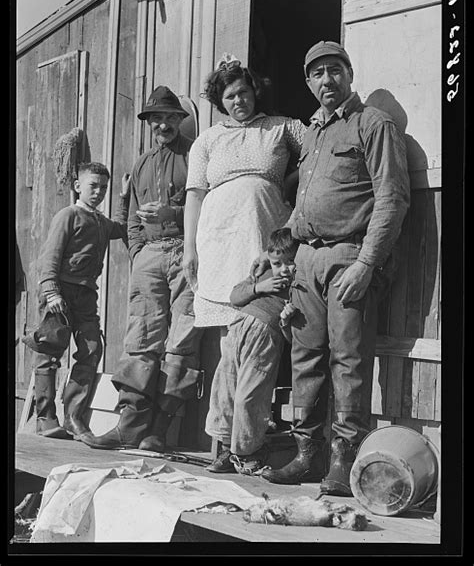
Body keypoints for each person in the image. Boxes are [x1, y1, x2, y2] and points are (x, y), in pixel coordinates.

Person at [254, 41, 410, 495]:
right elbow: (304, 204)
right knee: (305, 359)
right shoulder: (314, 133)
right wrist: (274, 247)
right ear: (308, 82)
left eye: (335, 70)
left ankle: (344, 462)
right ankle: (307, 455)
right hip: (305, 259)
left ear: (349, 73)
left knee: (348, 361)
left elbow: (392, 198)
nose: (327, 80)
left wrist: (366, 263)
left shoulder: (372, 124)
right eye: (317, 73)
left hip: (348, 258)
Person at [84, 86, 203, 452]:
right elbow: (132, 218)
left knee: (181, 342)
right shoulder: (141, 163)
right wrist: (138, 252)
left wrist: (175, 217)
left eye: (170, 118)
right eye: (157, 119)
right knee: (141, 339)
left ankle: (159, 432)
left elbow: (209, 209)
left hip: (187, 253)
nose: (163, 124)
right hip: (150, 255)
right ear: (149, 123)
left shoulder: (196, 156)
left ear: (180, 121)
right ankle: (130, 427)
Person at [183, 53, 307, 331]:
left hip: (262, 226)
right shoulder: (208, 139)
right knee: (225, 316)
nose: (238, 101)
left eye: (243, 92)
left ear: (254, 91)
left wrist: (289, 183)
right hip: (218, 237)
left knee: (263, 314)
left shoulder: (282, 127)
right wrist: (189, 247)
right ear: (220, 102)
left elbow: (318, 154)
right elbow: (195, 195)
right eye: (229, 97)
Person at [32, 162, 130, 440]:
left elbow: (120, 228)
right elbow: (50, 254)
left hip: (86, 296)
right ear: (78, 186)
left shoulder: (100, 222)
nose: (98, 192)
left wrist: (123, 197)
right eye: (93, 186)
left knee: (91, 350)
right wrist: (51, 291)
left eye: (103, 188)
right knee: (49, 353)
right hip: (60, 291)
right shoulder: (69, 215)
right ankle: (45, 417)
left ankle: (74, 418)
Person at [205, 228, 298, 476]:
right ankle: (227, 449)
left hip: (266, 338)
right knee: (225, 390)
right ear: (269, 258)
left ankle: (247, 451)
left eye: (291, 262)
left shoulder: (298, 288)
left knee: (250, 395)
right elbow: (235, 297)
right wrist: (259, 287)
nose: (284, 269)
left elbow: (292, 338)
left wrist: (287, 320)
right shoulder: (262, 273)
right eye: (278, 263)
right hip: (237, 329)